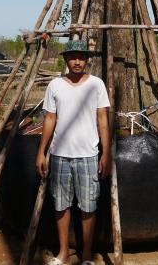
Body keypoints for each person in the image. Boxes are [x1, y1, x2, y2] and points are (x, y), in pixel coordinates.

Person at [36, 39, 112, 265]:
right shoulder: (55, 86)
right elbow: (50, 119)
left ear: (87, 60)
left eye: (81, 57)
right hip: (60, 155)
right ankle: (63, 253)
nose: (77, 62)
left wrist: (105, 153)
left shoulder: (96, 85)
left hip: (88, 155)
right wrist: (42, 152)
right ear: (66, 60)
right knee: (61, 205)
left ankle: (87, 255)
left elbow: (103, 120)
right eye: (72, 57)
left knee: (88, 206)